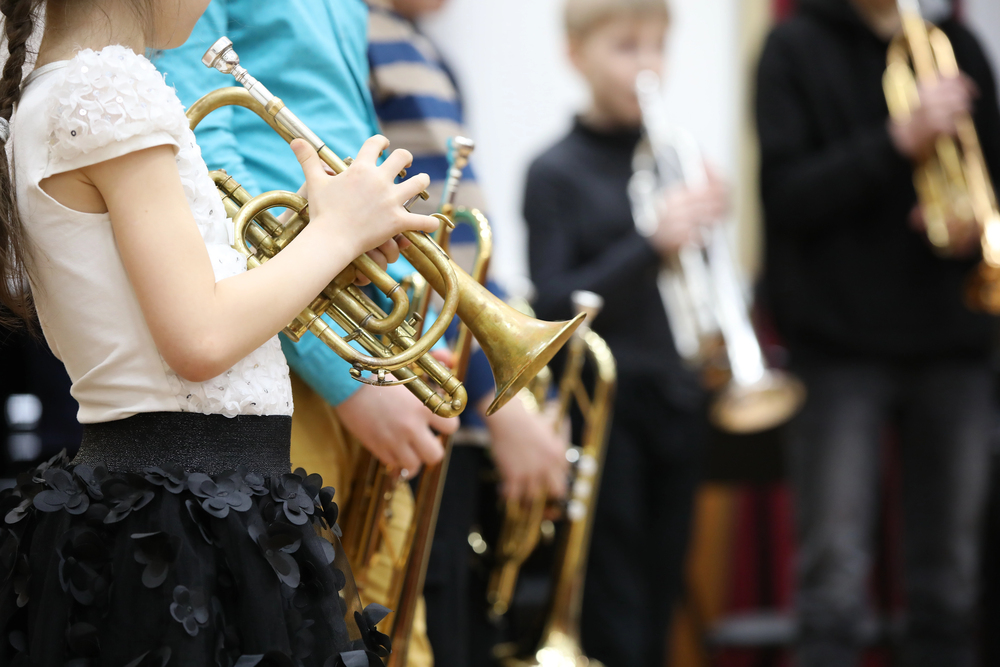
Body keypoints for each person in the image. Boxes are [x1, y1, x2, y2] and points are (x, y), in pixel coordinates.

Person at [0, 0, 442, 663]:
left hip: (176, 496)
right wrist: (335, 231)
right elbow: (200, 338)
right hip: (187, 513)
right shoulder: (109, 89)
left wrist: (326, 254)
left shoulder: (65, 89)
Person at [755, 0, 1000, 665]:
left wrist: (973, 218)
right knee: (833, 588)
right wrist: (900, 140)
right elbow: (784, 196)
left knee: (951, 589)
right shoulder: (792, 49)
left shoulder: (960, 48)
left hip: (953, 342)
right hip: (837, 349)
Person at [524, 0, 728, 664]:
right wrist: (651, 243)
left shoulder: (674, 160)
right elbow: (553, 301)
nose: (646, 64)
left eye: (657, 47)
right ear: (575, 55)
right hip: (605, 409)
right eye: (626, 46)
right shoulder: (554, 170)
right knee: (618, 596)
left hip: (677, 395)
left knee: (665, 582)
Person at [367, 2, 571, 664]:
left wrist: (526, 391)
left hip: (454, 378)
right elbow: (435, 253)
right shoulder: (374, 39)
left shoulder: (422, 50)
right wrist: (497, 397)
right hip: (428, 389)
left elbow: (469, 247)